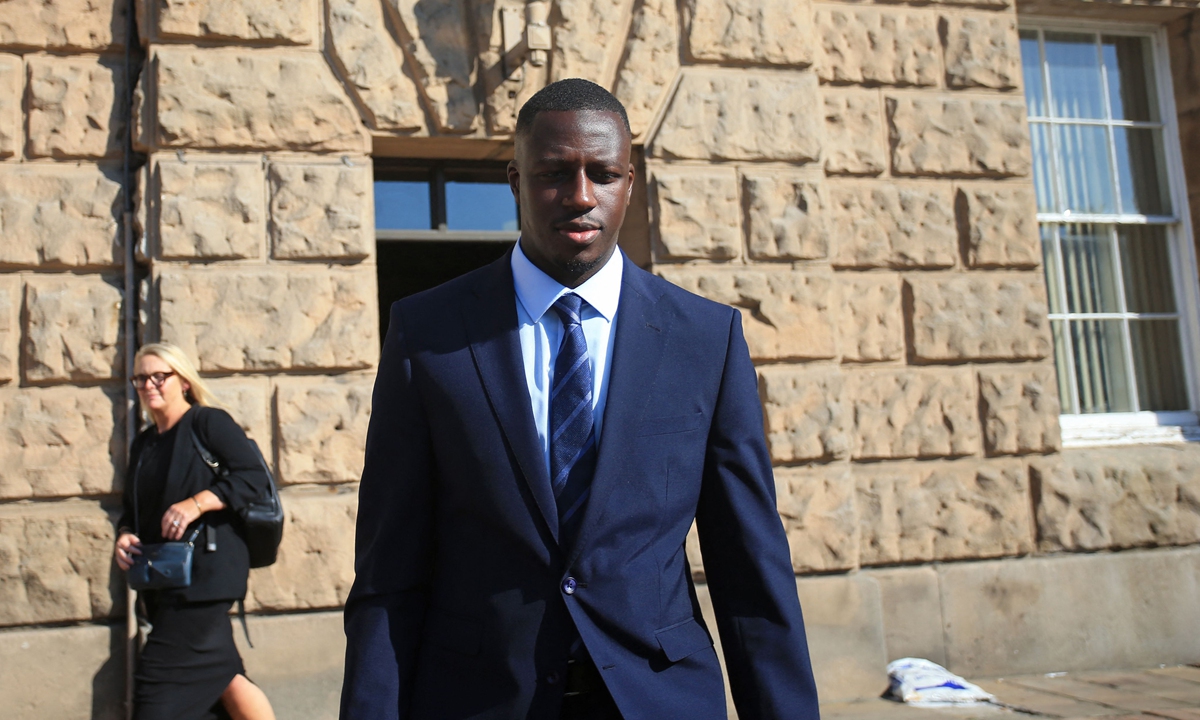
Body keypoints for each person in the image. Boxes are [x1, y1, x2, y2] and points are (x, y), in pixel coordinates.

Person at [341, 79, 820, 720]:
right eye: (555, 174)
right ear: (514, 179)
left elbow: (750, 569)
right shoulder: (428, 335)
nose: (582, 197)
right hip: (479, 699)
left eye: (604, 173)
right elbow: (388, 573)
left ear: (631, 181)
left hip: (658, 697)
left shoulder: (706, 339)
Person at [114, 342, 277, 720]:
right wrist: (125, 535)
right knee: (227, 681)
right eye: (140, 378)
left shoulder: (207, 423)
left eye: (159, 376)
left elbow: (253, 477)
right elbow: (131, 511)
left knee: (154, 689)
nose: (148, 384)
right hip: (164, 583)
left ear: (183, 382)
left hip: (206, 580)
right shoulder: (144, 443)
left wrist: (198, 502)